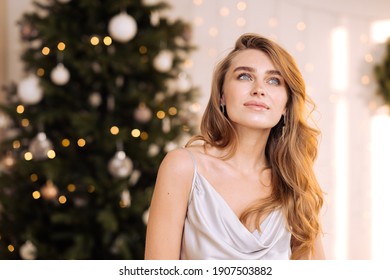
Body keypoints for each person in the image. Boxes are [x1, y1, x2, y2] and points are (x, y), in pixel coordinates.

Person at [144, 33, 325, 260]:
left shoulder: (295, 181)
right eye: (245, 76)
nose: (259, 89)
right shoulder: (183, 167)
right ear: (221, 95)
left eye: (273, 80)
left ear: (286, 106)